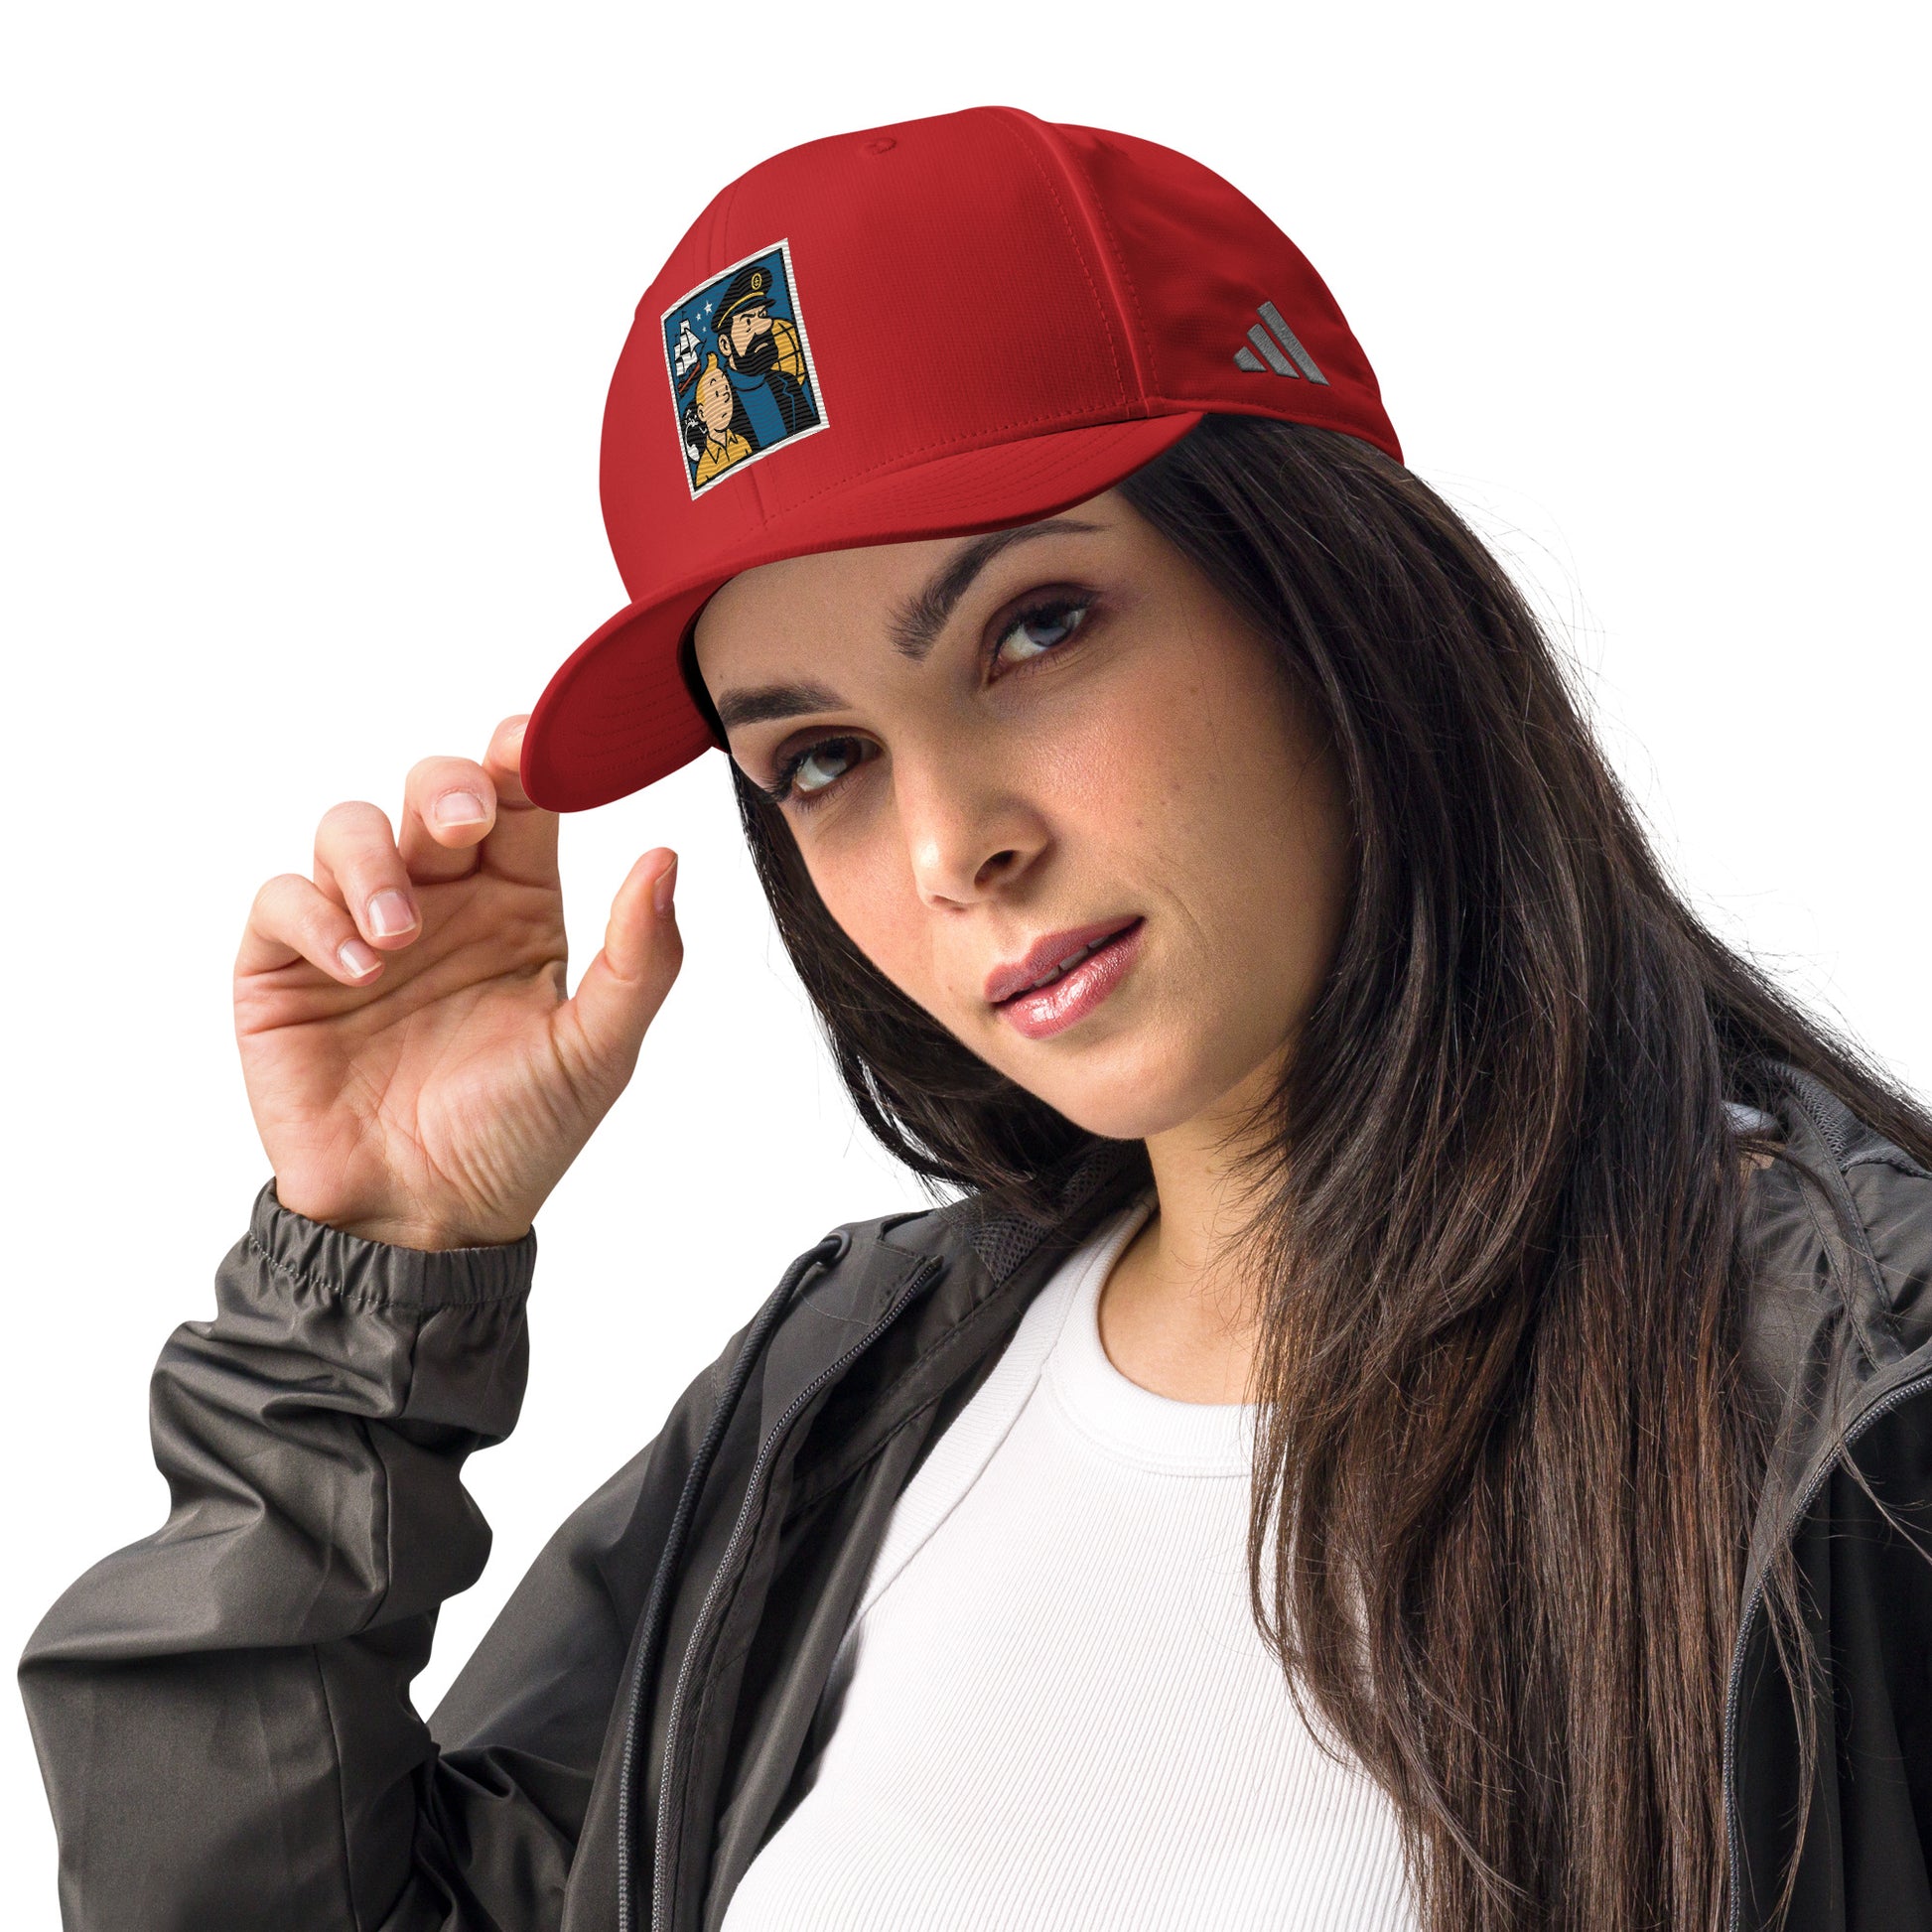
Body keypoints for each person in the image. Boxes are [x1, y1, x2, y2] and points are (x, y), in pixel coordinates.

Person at [19, 105, 1932, 1932]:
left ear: (1335, 597)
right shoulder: (847, 1406)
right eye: (823, 756)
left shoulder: (1850, 1405)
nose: (952, 845)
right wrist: (367, 1281)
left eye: (1033, 629)